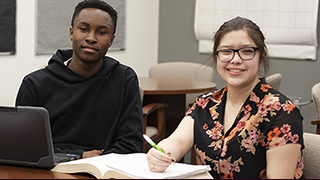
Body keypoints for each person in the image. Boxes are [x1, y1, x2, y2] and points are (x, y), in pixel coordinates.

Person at [146, 16, 304, 179]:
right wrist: (161, 153)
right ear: (216, 57)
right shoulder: (205, 103)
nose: (235, 60)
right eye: (226, 51)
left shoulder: (282, 111)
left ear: (262, 57)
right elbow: (178, 141)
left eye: (247, 51)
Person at [15, 0, 144, 159]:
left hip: (106, 168)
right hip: (52, 169)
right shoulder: (34, 84)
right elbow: (26, 147)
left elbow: (131, 144)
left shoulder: (124, 79)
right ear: (71, 33)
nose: (91, 38)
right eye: (83, 29)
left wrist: (97, 162)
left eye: (102, 32)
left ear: (111, 40)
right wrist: (78, 156)